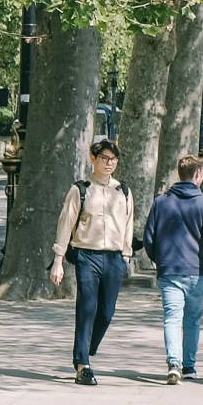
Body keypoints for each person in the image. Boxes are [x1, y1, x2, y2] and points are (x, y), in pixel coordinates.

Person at [50, 138, 134, 385]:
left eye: (113, 160)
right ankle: (82, 363)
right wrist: (58, 260)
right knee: (87, 308)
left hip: (115, 256)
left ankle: (89, 346)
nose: (109, 164)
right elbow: (65, 224)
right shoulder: (80, 189)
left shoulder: (124, 191)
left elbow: (128, 224)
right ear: (93, 159)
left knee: (106, 313)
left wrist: (127, 255)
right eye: (104, 159)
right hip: (88, 254)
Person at [143, 153, 203, 383]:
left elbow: (149, 237)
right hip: (197, 268)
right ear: (198, 175)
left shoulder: (161, 202)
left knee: (172, 317)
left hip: (170, 268)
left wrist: (158, 258)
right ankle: (190, 366)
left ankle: (174, 362)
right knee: (192, 320)